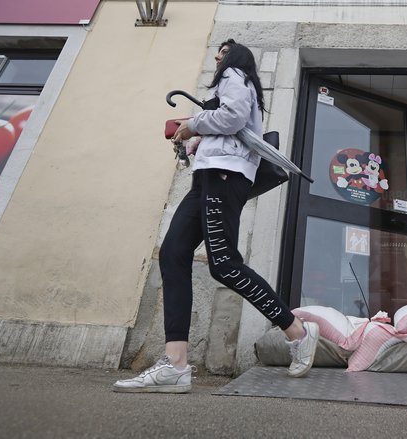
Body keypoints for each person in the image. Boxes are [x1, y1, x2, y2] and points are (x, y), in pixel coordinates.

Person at [113, 40, 319, 393]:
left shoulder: (235, 74)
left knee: (223, 263)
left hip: (223, 178)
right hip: (208, 177)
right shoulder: (232, 83)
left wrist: (194, 123)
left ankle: (296, 331)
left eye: (222, 52)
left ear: (236, 57)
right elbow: (229, 126)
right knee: (174, 254)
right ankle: (176, 364)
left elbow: (233, 117)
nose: (217, 57)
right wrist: (192, 140)